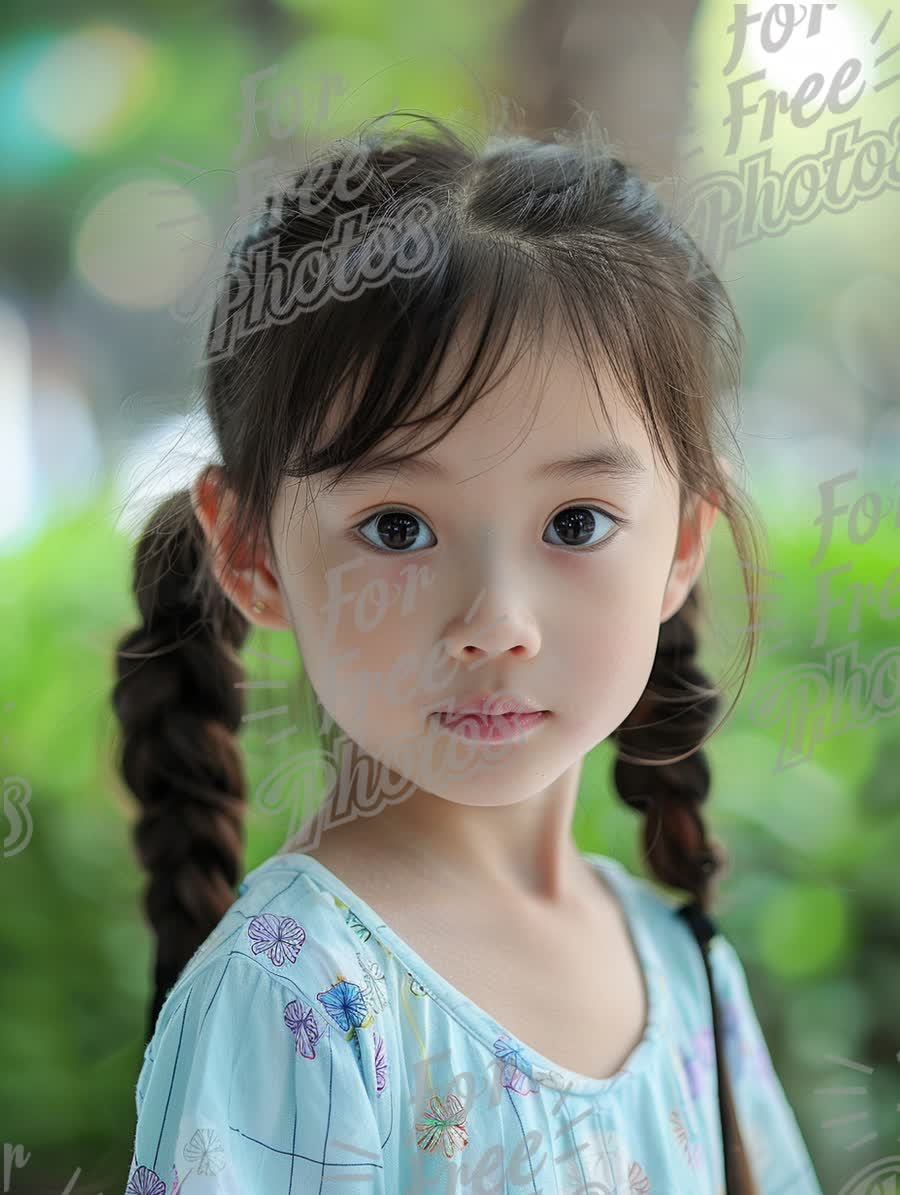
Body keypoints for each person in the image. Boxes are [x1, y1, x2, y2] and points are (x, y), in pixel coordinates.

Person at [112, 111, 824, 1195]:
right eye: (398, 527)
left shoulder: (686, 966)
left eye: (577, 521)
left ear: (681, 541)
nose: (496, 619)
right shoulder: (295, 998)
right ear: (251, 551)